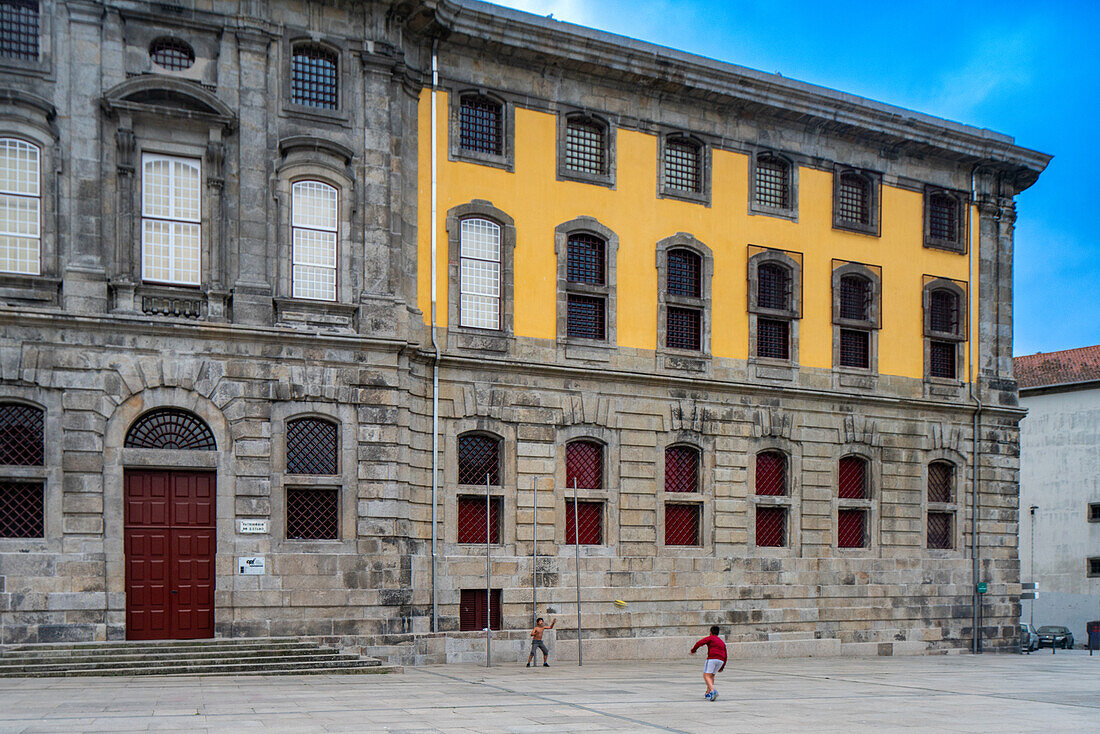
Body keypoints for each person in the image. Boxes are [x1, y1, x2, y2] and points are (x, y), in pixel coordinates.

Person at [690, 625, 726, 701]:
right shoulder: (722, 642)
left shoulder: (710, 638)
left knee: (706, 675)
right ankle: (708, 692)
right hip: (721, 660)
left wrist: (693, 650)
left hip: (712, 658)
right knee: (711, 676)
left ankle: (713, 690)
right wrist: (722, 667)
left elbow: (699, 643)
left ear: (710, 632)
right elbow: (725, 654)